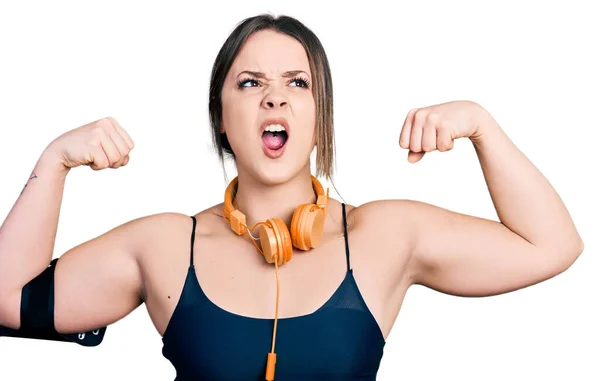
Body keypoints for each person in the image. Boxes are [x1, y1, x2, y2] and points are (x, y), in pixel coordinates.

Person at [0, 13, 584, 381]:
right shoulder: (163, 243)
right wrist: (53, 163)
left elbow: (551, 245)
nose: (274, 99)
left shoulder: (385, 236)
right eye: (250, 83)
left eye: (297, 84)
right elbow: (7, 300)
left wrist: (483, 126)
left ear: (319, 117)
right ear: (221, 119)